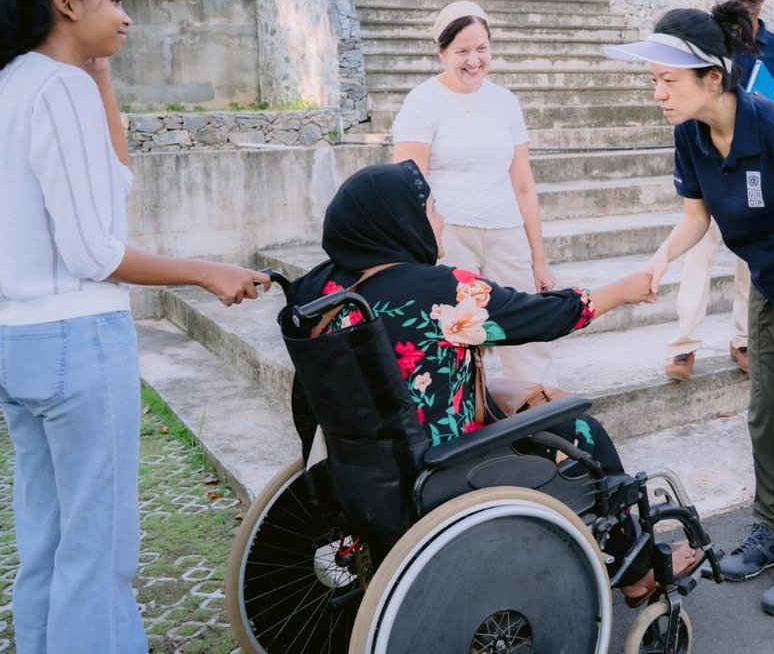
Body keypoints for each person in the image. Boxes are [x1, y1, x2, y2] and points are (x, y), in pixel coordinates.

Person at [0, 0, 269, 654]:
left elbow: (111, 189)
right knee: (99, 553)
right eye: (113, 0)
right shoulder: (56, 90)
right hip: (76, 343)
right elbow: (96, 249)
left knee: (49, 541)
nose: (125, 15)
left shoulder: (19, 83)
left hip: (17, 344)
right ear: (66, 2)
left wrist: (100, 75)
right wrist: (204, 271)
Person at [288, 161, 700, 606]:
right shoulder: (438, 292)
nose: (439, 219)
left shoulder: (319, 290)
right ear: (397, 221)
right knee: (583, 431)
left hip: (366, 470)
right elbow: (542, 315)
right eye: (429, 209)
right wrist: (622, 290)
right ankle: (638, 575)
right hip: (445, 467)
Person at [605, 2, 774, 616]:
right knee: (766, 416)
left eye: (667, 81)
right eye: (654, 81)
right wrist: (659, 260)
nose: (659, 94)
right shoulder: (690, 136)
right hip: (769, 287)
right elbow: (696, 217)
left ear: (712, 78)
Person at [392, 1, 558, 386]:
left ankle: (544, 422)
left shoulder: (505, 101)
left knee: (528, 333)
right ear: (442, 52)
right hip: (450, 238)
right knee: (458, 337)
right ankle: (465, 424)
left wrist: (539, 259)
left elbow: (523, 185)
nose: (474, 60)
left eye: (481, 48)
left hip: (507, 232)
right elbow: (408, 185)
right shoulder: (422, 102)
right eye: (462, 51)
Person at [664, 0, 774, 381]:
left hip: (756, 169)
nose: (748, 6)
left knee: (750, 264)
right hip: (712, 168)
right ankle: (684, 346)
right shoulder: (713, 42)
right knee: (697, 256)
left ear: (763, 1)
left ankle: (743, 340)